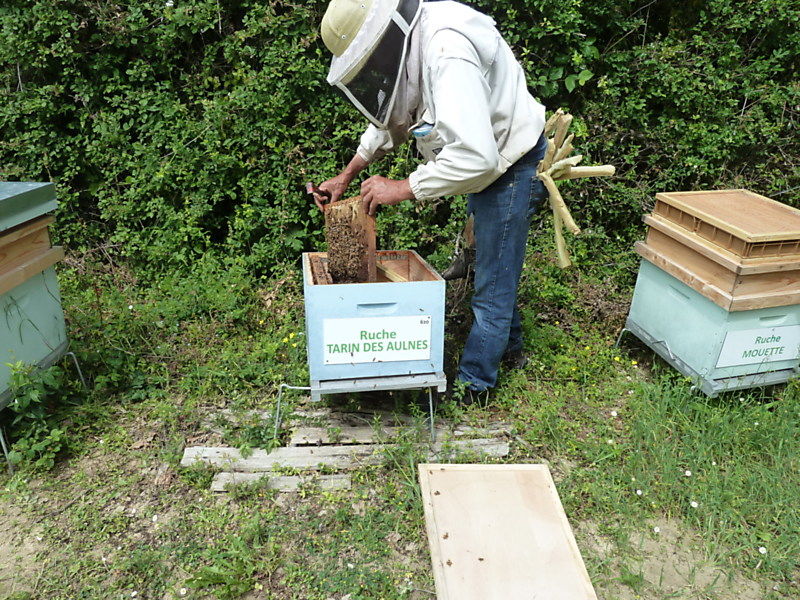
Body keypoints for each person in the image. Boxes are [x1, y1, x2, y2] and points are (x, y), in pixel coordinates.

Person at [312, 0, 547, 403]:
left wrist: (402, 187)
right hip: (484, 162)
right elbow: (395, 116)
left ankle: (476, 386)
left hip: (510, 163)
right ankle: (512, 351)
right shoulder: (414, 46)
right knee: (493, 259)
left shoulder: (446, 50)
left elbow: (477, 157)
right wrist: (348, 173)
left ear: (385, 38)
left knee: (492, 280)